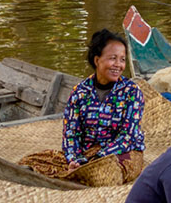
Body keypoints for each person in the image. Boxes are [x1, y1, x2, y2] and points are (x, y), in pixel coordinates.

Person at [61, 29, 146, 175]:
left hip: (120, 153)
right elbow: (71, 133)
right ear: (96, 60)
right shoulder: (79, 92)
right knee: (35, 162)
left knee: (105, 174)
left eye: (122, 59)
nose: (118, 65)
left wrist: (99, 157)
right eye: (113, 58)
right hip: (87, 155)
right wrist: (74, 159)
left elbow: (128, 136)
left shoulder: (131, 92)